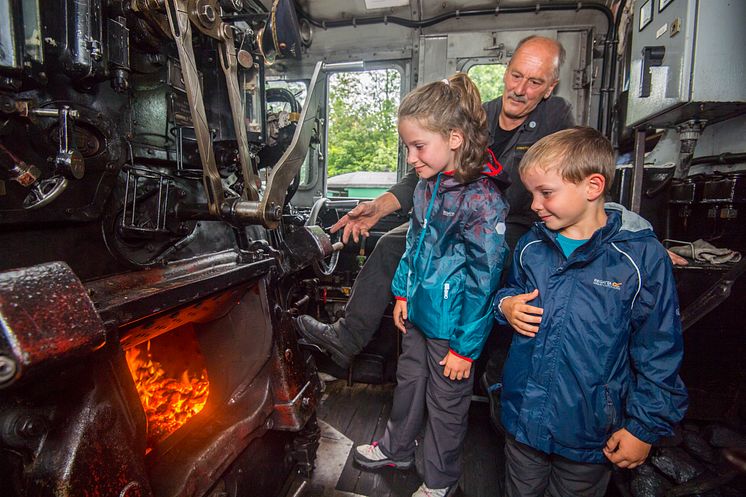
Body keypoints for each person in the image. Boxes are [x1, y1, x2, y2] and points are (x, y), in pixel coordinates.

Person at [294, 36, 575, 376]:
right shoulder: (477, 116)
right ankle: (346, 338)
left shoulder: (556, 123)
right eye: (516, 76)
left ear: (550, 88)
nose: (520, 89)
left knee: (491, 266)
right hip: (448, 215)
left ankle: (481, 368)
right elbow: (432, 170)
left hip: (510, 226)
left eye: (535, 83)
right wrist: (381, 206)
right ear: (505, 72)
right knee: (388, 245)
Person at [494, 127, 688, 497]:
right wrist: (505, 305)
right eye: (531, 193)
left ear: (592, 186)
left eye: (546, 193)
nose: (534, 204)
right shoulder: (531, 245)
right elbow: (509, 292)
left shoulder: (639, 258)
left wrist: (643, 428)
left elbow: (659, 349)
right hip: (523, 420)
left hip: (588, 432)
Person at [352, 72, 509, 497]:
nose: (411, 157)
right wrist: (402, 293)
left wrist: (465, 348)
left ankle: (439, 480)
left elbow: (484, 280)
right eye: (407, 146)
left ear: (455, 138)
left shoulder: (482, 198)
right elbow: (414, 246)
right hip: (419, 312)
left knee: (446, 404)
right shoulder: (425, 187)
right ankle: (397, 448)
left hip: (455, 325)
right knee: (409, 383)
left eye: (419, 146)